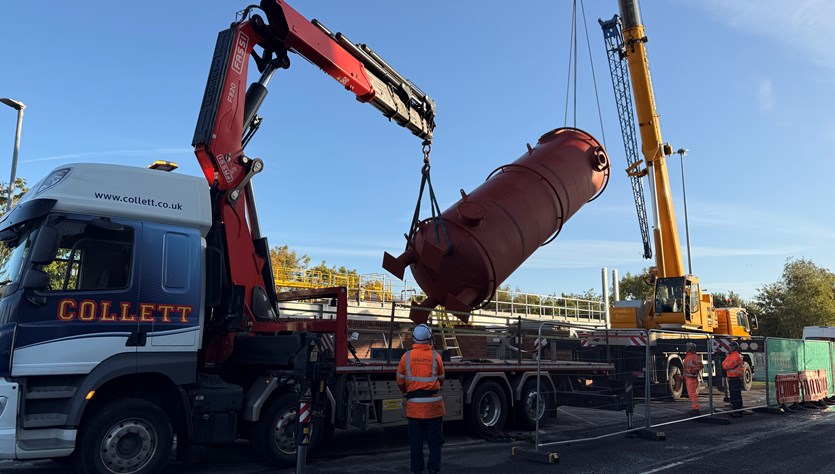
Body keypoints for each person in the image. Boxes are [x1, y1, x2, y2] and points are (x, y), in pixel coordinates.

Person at [397, 324, 445, 474]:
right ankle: (434, 470)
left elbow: (400, 379)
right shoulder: (436, 356)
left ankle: (417, 470)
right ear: (430, 339)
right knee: (435, 443)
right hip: (433, 409)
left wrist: (407, 391)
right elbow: (441, 378)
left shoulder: (407, 356)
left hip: (414, 409)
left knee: (416, 444)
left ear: (414, 339)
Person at [721, 341, 744, 417]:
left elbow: (728, 365)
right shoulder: (730, 355)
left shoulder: (737, 356)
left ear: (735, 348)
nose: (730, 348)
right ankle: (735, 408)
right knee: (733, 394)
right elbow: (724, 364)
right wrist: (726, 365)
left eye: (731, 347)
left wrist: (726, 365)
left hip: (736, 377)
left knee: (736, 394)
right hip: (731, 377)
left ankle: (738, 410)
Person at [683, 342, 703, 415]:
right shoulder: (688, 356)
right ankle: (695, 408)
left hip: (691, 378)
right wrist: (684, 376)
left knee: (692, 394)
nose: (687, 348)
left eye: (688, 347)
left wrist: (693, 372)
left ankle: (696, 409)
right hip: (688, 377)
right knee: (691, 394)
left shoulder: (694, 356)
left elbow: (700, 365)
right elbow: (686, 368)